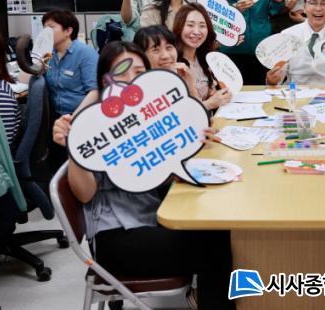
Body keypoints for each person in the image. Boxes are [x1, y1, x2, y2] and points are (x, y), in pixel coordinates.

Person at [52, 41, 235, 309]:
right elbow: (85, 193)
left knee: (219, 230)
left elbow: (153, 173)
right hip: (117, 237)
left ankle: (206, 298)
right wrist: (74, 147)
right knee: (218, 246)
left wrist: (193, 142)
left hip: (149, 217)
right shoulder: (95, 126)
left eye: (138, 72)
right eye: (120, 73)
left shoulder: (146, 116)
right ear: (104, 80)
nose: (130, 80)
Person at [173, 4, 232, 110]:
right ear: (179, 27)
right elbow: (177, 110)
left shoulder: (205, 59)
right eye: (190, 25)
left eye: (202, 26)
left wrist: (213, 95)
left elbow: (209, 97)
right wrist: (210, 103)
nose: (196, 32)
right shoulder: (174, 65)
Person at [42, 9, 98, 116]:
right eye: (44, 28)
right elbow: (25, 81)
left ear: (68, 31)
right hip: (56, 115)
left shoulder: (85, 53)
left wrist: (73, 119)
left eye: (51, 27)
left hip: (81, 115)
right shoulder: (48, 54)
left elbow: (95, 92)